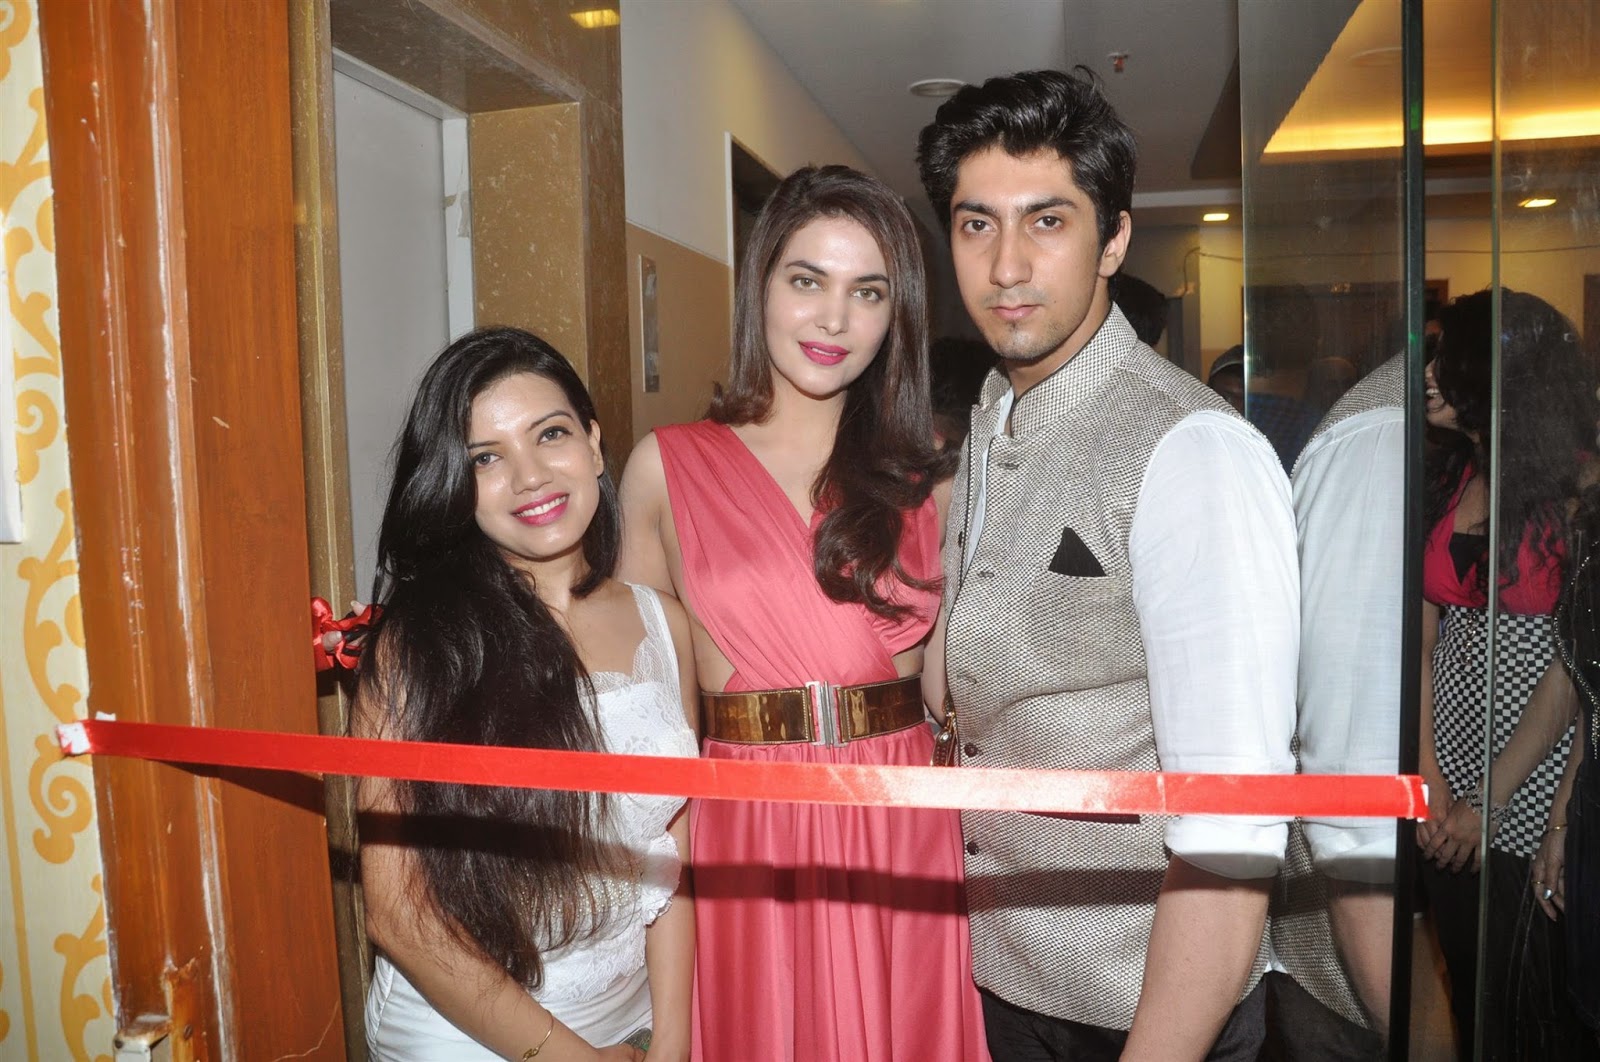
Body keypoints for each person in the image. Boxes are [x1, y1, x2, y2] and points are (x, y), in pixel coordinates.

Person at [916, 68, 1298, 1061]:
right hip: (1007, 977)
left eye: (1047, 221)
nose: (1006, 265)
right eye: (975, 224)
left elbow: (1232, 826)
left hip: (1146, 1010)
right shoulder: (991, 416)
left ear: (1114, 240)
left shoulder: (1190, 450)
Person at [618, 164, 989, 1061]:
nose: (833, 319)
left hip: (899, 814)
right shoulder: (664, 468)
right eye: (807, 280)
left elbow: (958, 688)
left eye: (867, 292)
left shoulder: (932, 481)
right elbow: (640, 707)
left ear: (895, 316)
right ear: (761, 285)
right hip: (744, 819)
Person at [355, 328, 698, 1061]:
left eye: (550, 434)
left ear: (595, 445)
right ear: (454, 485)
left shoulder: (664, 624)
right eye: (486, 458)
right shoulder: (421, 646)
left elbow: (673, 849)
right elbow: (399, 917)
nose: (530, 476)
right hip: (468, 1035)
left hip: (634, 1020)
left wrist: (673, 1041)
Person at [1418, 288, 1594, 1059]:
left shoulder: (1578, 490)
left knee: (1533, 1005)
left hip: (1534, 774)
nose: (1427, 372)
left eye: (1446, 356)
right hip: (1447, 771)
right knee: (1472, 990)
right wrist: (1429, 777)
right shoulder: (1447, 473)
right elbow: (1421, 634)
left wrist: (1493, 799)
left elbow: (1573, 671)